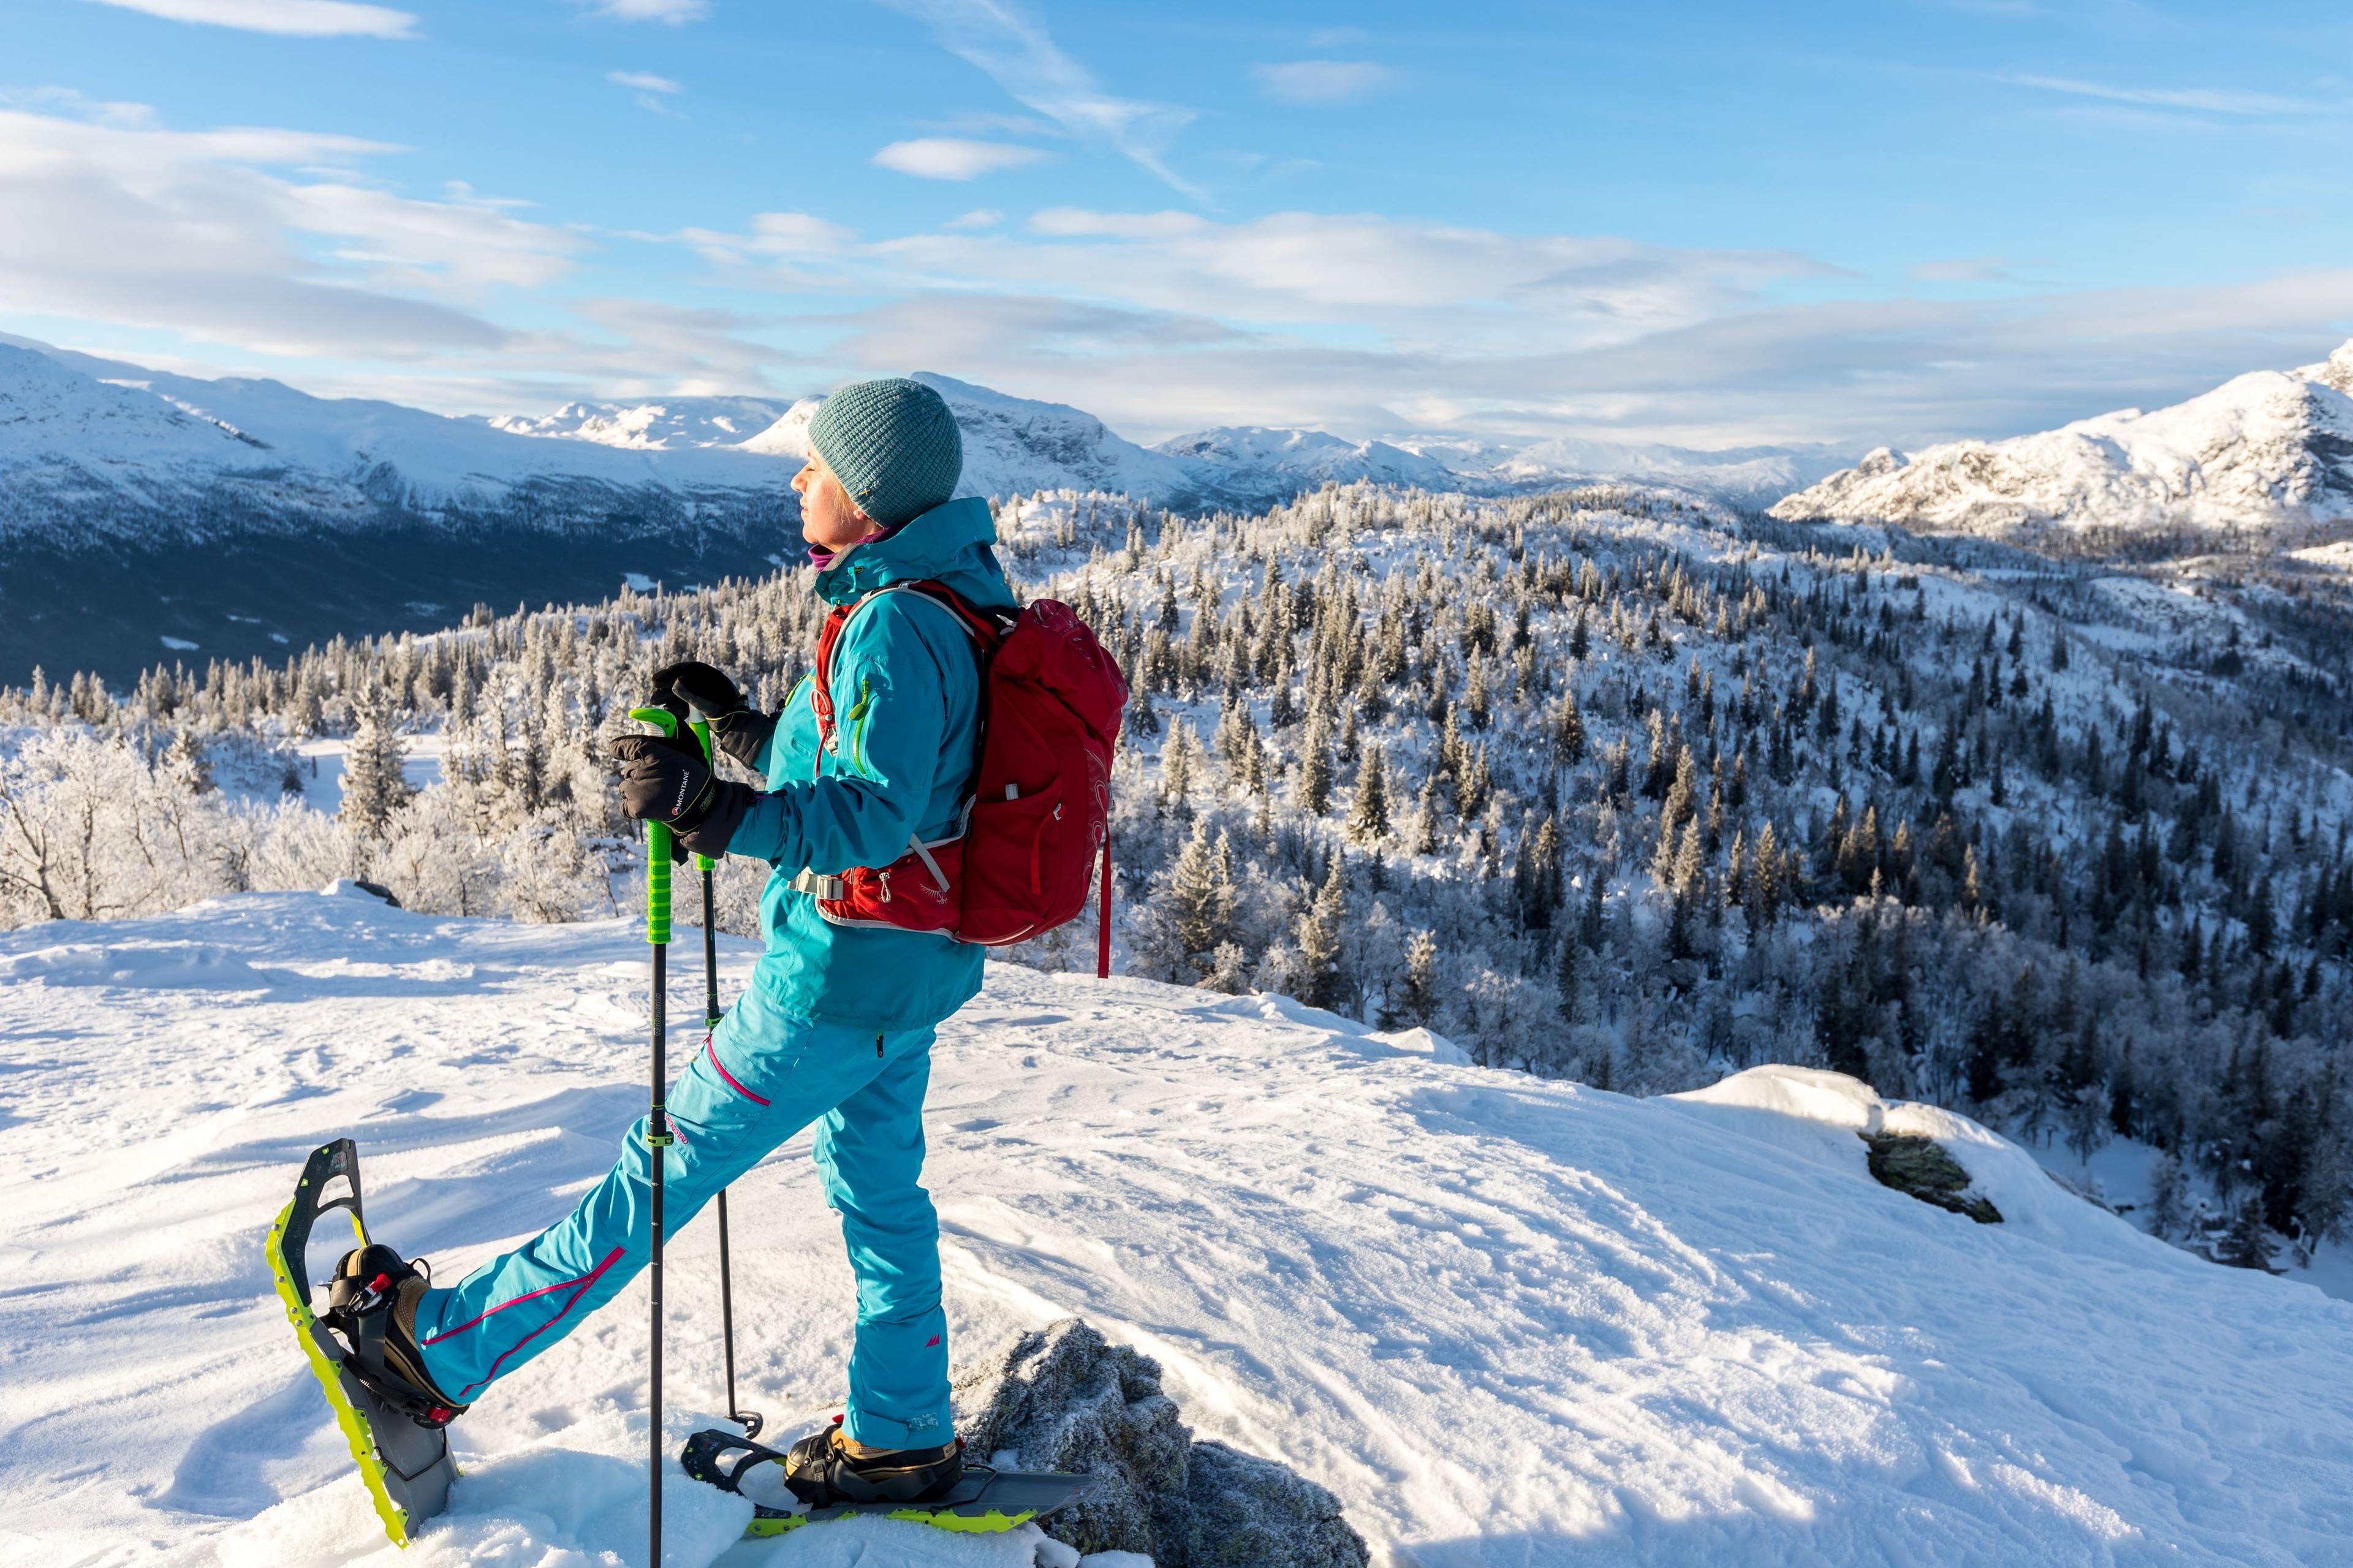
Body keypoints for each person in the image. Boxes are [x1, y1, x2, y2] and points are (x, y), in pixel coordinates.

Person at [321, 377, 1014, 1507]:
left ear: (869, 495)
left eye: (816, 467)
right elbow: (910, 773)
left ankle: (437, 1352)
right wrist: (746, 731)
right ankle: (901, 1430)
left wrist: (719, 811)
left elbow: (877, 818)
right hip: (910, 976)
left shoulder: (890, 618)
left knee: (660, 1173)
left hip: (831, 984)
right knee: (885, 1199)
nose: (797, 480)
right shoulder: (952, 597)